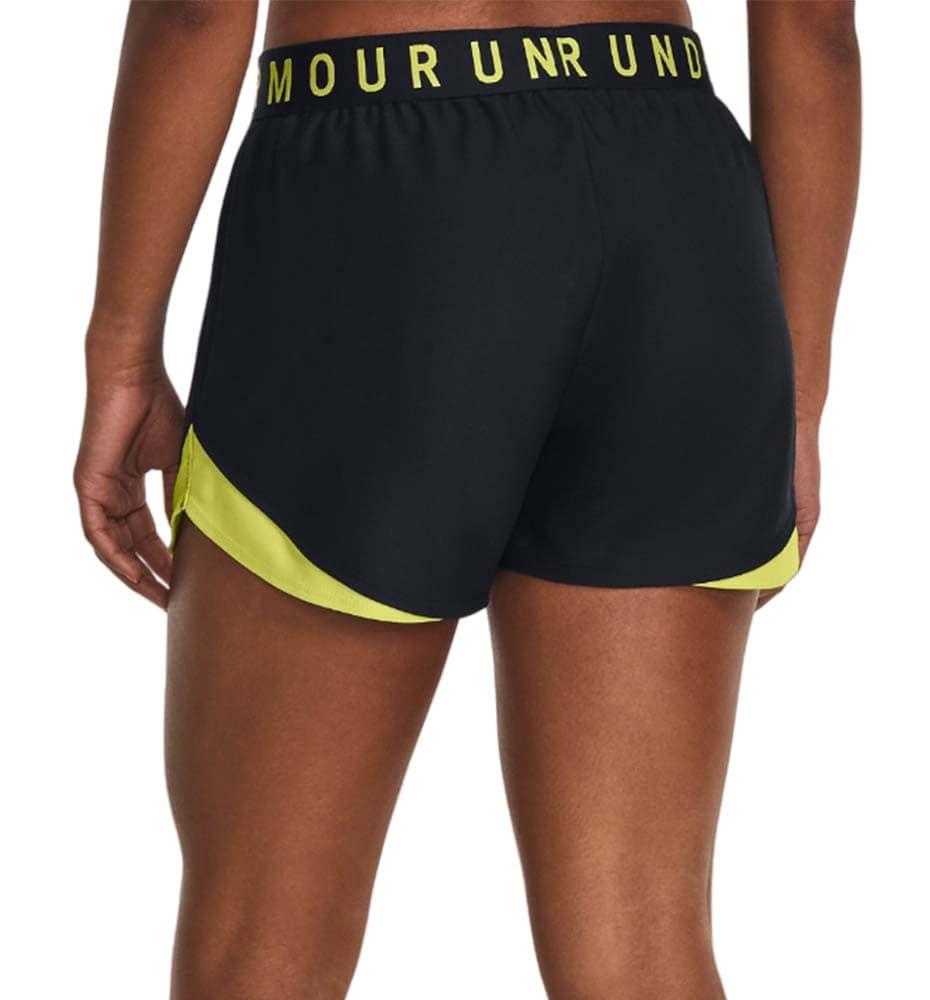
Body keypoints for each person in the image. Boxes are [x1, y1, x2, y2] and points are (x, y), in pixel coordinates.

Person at [74, 2, 860, 997]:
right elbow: (814, 29)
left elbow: (196, 15)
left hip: (382, 188)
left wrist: (123, 349)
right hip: (675, 193)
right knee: (641, 946)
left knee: (263, 936)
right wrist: (797, 398)